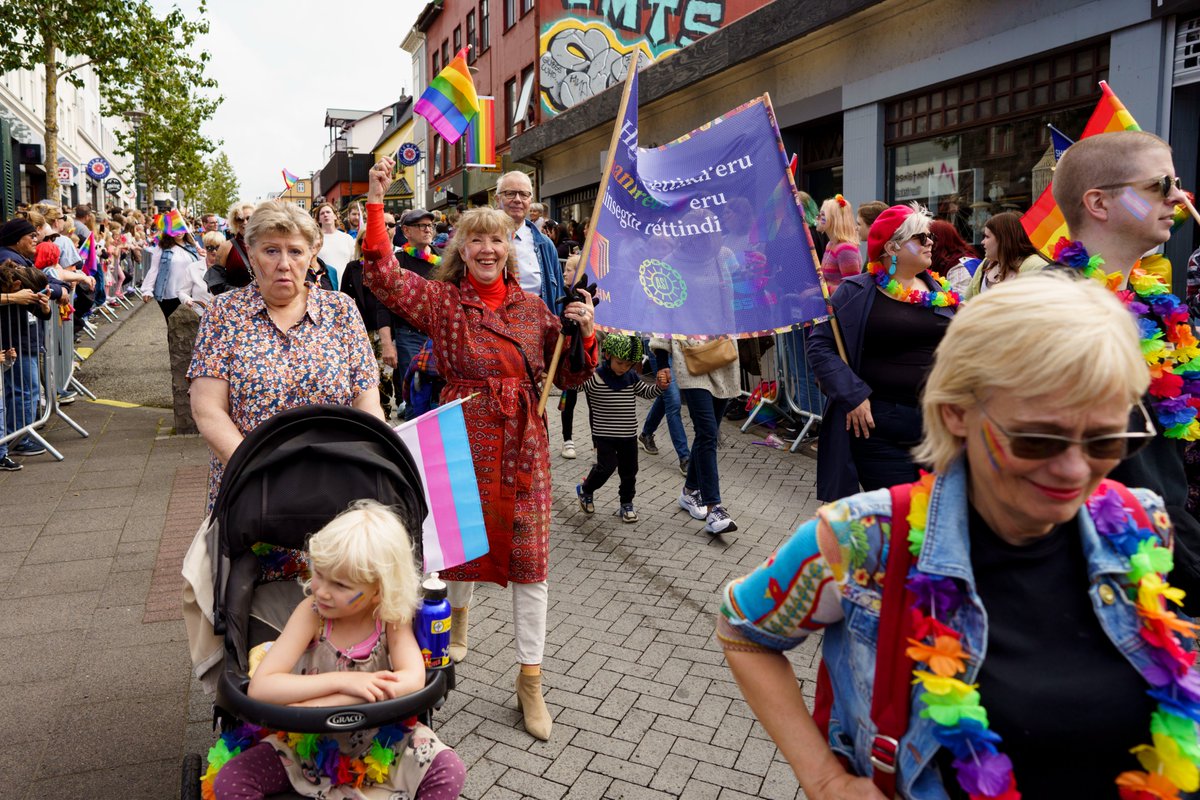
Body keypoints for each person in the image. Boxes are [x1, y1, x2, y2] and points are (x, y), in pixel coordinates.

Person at [719, 273, 1186, 800]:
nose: (1075, 470)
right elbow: (743, 629)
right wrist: (823, 778)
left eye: (1105, 438)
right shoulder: (862, 539)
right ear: (956, 413)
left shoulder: (1139, 526)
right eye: (1037, 437)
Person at [362, 156, 597, 741]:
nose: (488, 249)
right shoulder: (442, 303)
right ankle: (457, 627)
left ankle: (530, 680)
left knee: (530, 564)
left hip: (523, 442)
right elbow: (383, 275)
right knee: (454, 548)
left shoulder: (533, 308)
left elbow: (568, 379)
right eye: (476, 241)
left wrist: (582, 332)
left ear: (508, 249)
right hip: (460, 434)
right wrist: (374, 198)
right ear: (460, 250)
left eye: (497, 240)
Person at [207, 500, 466, 800]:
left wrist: (325, 702)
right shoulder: (312, 613)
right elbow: (262, 687)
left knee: (449, 769)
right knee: (232, 781)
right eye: (320, 573)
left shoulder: (390, 619)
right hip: (306, 741)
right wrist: (346, 681)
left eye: (340, 585)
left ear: (378, 591)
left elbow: (412, 679)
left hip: (380, 741)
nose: (322, 590)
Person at [1049, 129, 1200, 612]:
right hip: (1094, 570)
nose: (1178, 197)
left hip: (1167, 556)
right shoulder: (1049, 306)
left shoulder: (1160, 309)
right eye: (1160, 185)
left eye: (1176, 183)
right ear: (1098, 202)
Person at [188, 200, 383, 512]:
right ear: (251, 254)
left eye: (295, 251)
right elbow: (207, 409)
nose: (284, 263)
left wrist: (368, 460)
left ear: (311, 254)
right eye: (270, 251)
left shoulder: (340, 310)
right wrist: (262, 476)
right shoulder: (223, 313)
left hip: (334, 487)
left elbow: (367, 402)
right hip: (251, 491)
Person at [806, 203, 958, 501]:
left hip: (938, 429)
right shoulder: (855, 293)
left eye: (930, 237)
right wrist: (853, 394)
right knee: (903, 517)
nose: (930, 243)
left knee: (937, 516)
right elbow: (820, 345)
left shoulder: (941, 292)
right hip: (880, 429)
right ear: (892, 247)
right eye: (921, 238)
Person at [576, 334, 669, 523]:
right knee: (606, 467)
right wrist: (569, 373)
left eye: (628, 364)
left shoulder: (631, 377)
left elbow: (646, 392)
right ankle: (586, 489)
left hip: (628, 436)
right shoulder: (594, 379)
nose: (624, 368)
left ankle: (626, 503)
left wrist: (659, 386)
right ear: (607, 355)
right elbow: (572, 385)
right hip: (604, 436)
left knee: (629, 472)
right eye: (620, 363)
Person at [0, 257, 51, 467]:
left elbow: (40, 314)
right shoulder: (13, 291)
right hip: (14, 347)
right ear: (19, 285)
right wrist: (13, 298)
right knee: (23, 392)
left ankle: (17, 437)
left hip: (22, 346)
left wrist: (45, 308)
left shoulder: (22, 290)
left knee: (26, 391)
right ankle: (18, 438)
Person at [496, 170, 566, 311]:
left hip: (537, 327)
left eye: (524, 194)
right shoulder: (480, 241)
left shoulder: (545, 245)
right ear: (497, 199)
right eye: (510, 193)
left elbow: (558, 296)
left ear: (530, 200)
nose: (517, 199)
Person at [964, 211, 1051, 300]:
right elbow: (967, 301)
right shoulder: (986, 264)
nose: (982, 242)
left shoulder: (1036, 266)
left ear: (1003, 239)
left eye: (987, 237)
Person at [139, 210, 203, 321]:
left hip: (190, 293)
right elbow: (154, 269)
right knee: (173, 326)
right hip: (169, 294)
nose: (180, 232)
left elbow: (202, 266)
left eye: (181, 228)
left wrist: (202, 254)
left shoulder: (193, 246)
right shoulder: (162, 247)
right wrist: (147, 289)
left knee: (192, 325)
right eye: (175, 229)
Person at [815, 195, 862, 290]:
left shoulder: (846, 249)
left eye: (822, 215)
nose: (817, 217)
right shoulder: (831, 244)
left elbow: (852, 289)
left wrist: (820, 291)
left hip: (839, 304)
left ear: (833, 219)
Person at [929, 219, 980, 296]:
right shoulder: (945, 261)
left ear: (938, 241)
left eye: (929, 238)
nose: (927, 242)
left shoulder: (960, 266)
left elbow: (960, 302)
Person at [213, 202, 256, 293]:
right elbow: (215, 282)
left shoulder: (267, 244)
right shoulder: (226, 247)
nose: (245, 222)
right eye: (240, 219)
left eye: (249, 218)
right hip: (238, 303)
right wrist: (239, 294)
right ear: (234, 222)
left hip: (267, 302)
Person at [313, 202, 355, 289]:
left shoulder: (347, 238)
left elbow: (354, 263)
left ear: (335, 216)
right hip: (324, 287)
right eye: (322, 213)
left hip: (346, 287)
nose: (325, 215)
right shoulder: (315, 240)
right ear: (319, 220)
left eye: (328, 212)